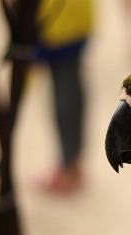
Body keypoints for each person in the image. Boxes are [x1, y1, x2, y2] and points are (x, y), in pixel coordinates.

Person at [35, 0, 94, 192]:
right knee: (70, 76)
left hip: (54, 14)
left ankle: (69, 167)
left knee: (64, 80)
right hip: (76, 11)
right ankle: (71, 163)